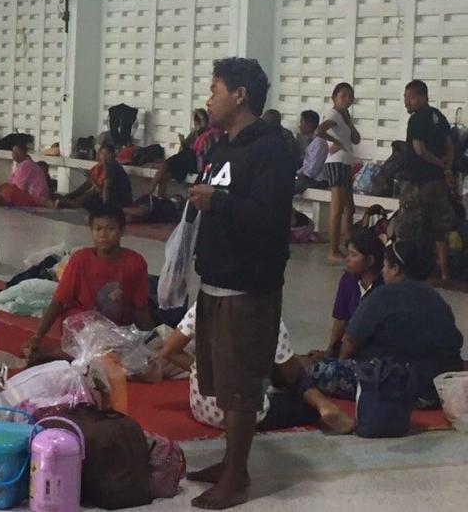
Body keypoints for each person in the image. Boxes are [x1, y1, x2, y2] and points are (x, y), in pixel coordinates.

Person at [186, 57, 294, 509]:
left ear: (240, 95)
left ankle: (237, 478)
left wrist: (218, 202)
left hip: (248, 289)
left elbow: (268, 218)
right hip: (216, 282)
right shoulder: (220, 147)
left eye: (215, 89)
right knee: (222, 383)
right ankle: (232, 462)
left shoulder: (271, 150)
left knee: (240, 389)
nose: (209, 98)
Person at [305, 238, 464, 406]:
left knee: (309, 371)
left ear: (395, 269)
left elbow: (351, 341)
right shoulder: (436, 298)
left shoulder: (384, 295)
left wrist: (339, 365)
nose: (383, 271)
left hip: (398, 382)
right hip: (440, 385)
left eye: (386, 266)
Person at [161, 303, 355, 434]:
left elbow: (169, 351)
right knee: (300, 390)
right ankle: (324, 405)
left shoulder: (205, 301)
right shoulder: (264, 311)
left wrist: (200, 370)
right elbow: (290, 372)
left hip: (201, 406)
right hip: (241, 414)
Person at [23, 203, 154, 358]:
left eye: (110, 229)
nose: (103, 234)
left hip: (116, 329)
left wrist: (151, 339)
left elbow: (140, 308)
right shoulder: (80, 259)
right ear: (91, 231)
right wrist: (37, 337)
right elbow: (58, 302)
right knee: (104, 351)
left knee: (121, 354)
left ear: (122, 231)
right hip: (81, 325)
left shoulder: (135, 263)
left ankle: (55, 356)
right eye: (98, 229)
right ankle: (53, 354)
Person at [397, 80, 455, 280]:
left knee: (407, 227)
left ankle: (404, 270)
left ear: (423, 97)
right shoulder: (438, 116)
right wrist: (446, 168)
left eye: (410, 97)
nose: (407, 102)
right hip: (438, 183)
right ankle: (445, 272)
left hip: (416, 182)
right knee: (440, 228)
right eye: (405, 98)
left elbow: (419, 149)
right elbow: (450, 145)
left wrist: (438, 163)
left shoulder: (417, 119)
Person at [310, 229, 384, 360]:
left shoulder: (384, 286)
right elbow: (341, 318)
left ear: (370, 260)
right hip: (352, 346)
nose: (347, 259)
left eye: (353, 255)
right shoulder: (347, 280)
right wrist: (330, 351)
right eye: (348, 254)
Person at [316, 82, 361, 264]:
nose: (347, 100)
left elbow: (356, 139)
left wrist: (348, 121)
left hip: (345, 163)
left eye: (350, 96)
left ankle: (349, 245)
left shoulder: (343, 116)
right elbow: (319, 131)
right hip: (337, 162)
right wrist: (335, 142)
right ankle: (333, 249)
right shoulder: (333, 114)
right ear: (334, 98)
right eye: (343, 96)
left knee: (349, 208)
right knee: (338, 208)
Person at [146, 109, 218, 197]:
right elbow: (184, 149)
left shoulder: (209, 135)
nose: (195, 125)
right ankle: (158, 198)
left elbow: (202, 155)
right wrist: (182, 142)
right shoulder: (194, 134)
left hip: (193, 163)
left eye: (197, 122)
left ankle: (148, 196)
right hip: (185, 160)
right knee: (165, 174)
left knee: (165, 166)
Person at [57, 143, 132, 210]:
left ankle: (67, 204)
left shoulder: (112, 167)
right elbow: (86, 186)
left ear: (113, 155)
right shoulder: (100, 166)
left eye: (107, 154)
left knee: (90, 196)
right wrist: (70, 195)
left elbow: (103, 190)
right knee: (86, 191)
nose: (104, 157)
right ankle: (66, 200)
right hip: (105, 196)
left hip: (117, 200)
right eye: (102, 154)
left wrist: (106, 208)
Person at [0, 142, 50, 207]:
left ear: (24, 153)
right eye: (13, 151)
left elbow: (17, 187)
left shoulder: (26, 164)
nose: (14, 154)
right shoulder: (24, 164)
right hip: (35, 196)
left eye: (17, 151)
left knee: (9, 191)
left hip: (36, 198)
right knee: (3, 187)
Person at [294, 110, 328, 195]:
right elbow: (306, 166)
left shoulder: (319, 142)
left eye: (301, 122)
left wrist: (299, 176)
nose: (299, 125)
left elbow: (312, 170)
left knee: (290, 188)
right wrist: (297, 173)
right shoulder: (312, 142)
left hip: (318, 181)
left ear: (308, 125)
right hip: (309, 178)